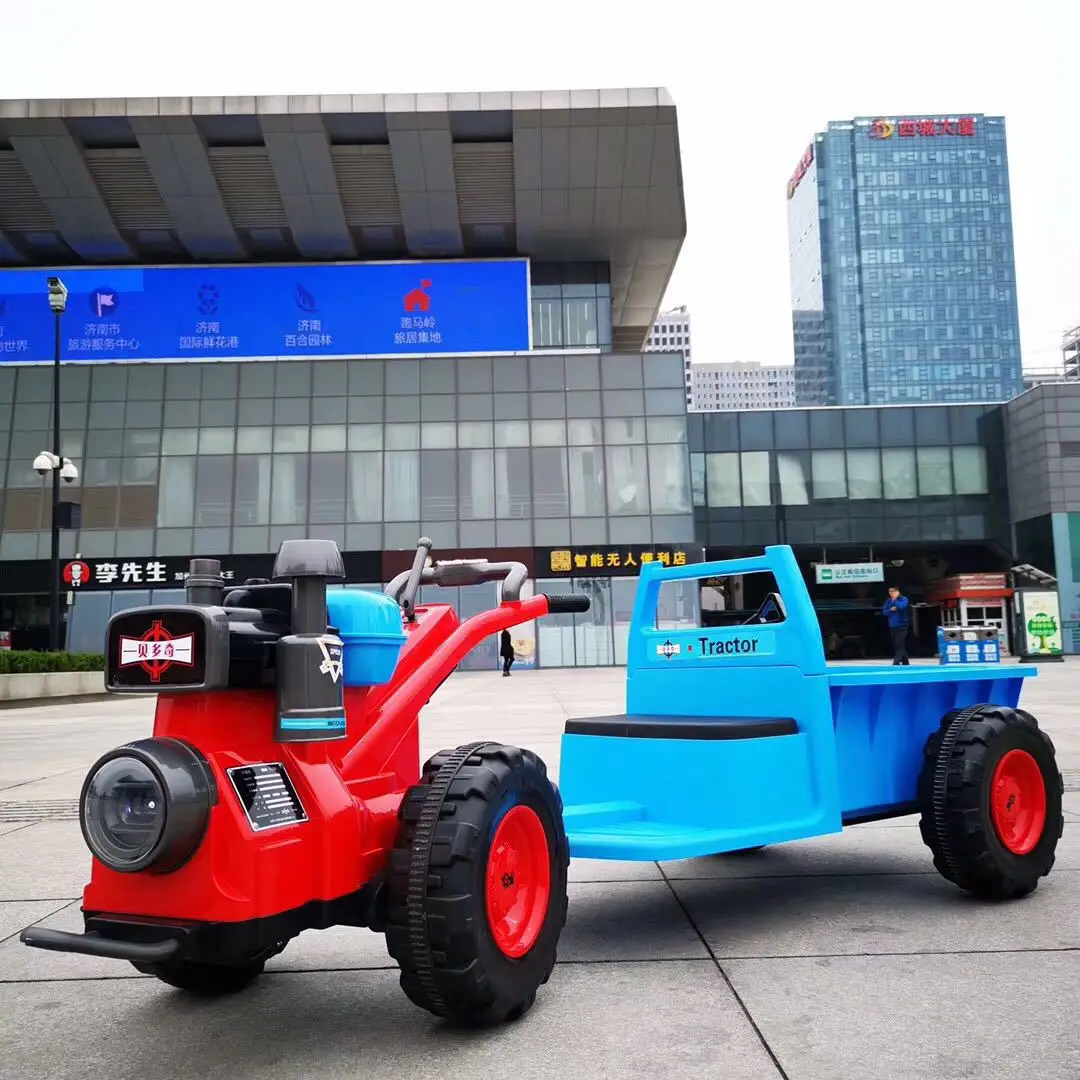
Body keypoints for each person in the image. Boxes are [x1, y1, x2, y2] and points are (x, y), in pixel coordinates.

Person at [882, 586, 911, 665]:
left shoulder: (904, 599)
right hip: (892, 625)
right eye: (890, 591)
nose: (891, 593)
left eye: (893, 591)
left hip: (902, 625)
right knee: (897, 644)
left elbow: (902, 607)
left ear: (898, 591)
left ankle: (896, 662)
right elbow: (884, 612)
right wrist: (890, 610)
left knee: (899, 643)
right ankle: (905, 662)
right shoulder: (888, 601)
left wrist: (895, 600)